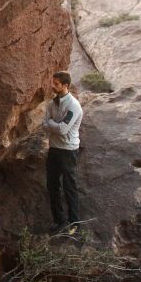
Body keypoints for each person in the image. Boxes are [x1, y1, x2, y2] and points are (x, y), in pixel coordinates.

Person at [42, 70, 83, 235]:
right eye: (53, 82)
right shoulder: (52, 104)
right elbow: (43, 124)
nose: (53, 86)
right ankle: (59, 220)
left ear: (65, 85)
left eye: (56, 84)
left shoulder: (73, 106)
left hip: (68, 151)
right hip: (54, 150)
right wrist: (53, 124)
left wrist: (51, 123)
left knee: (69, 187)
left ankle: (75, 222)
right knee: (52, 186)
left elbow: (63, 129)